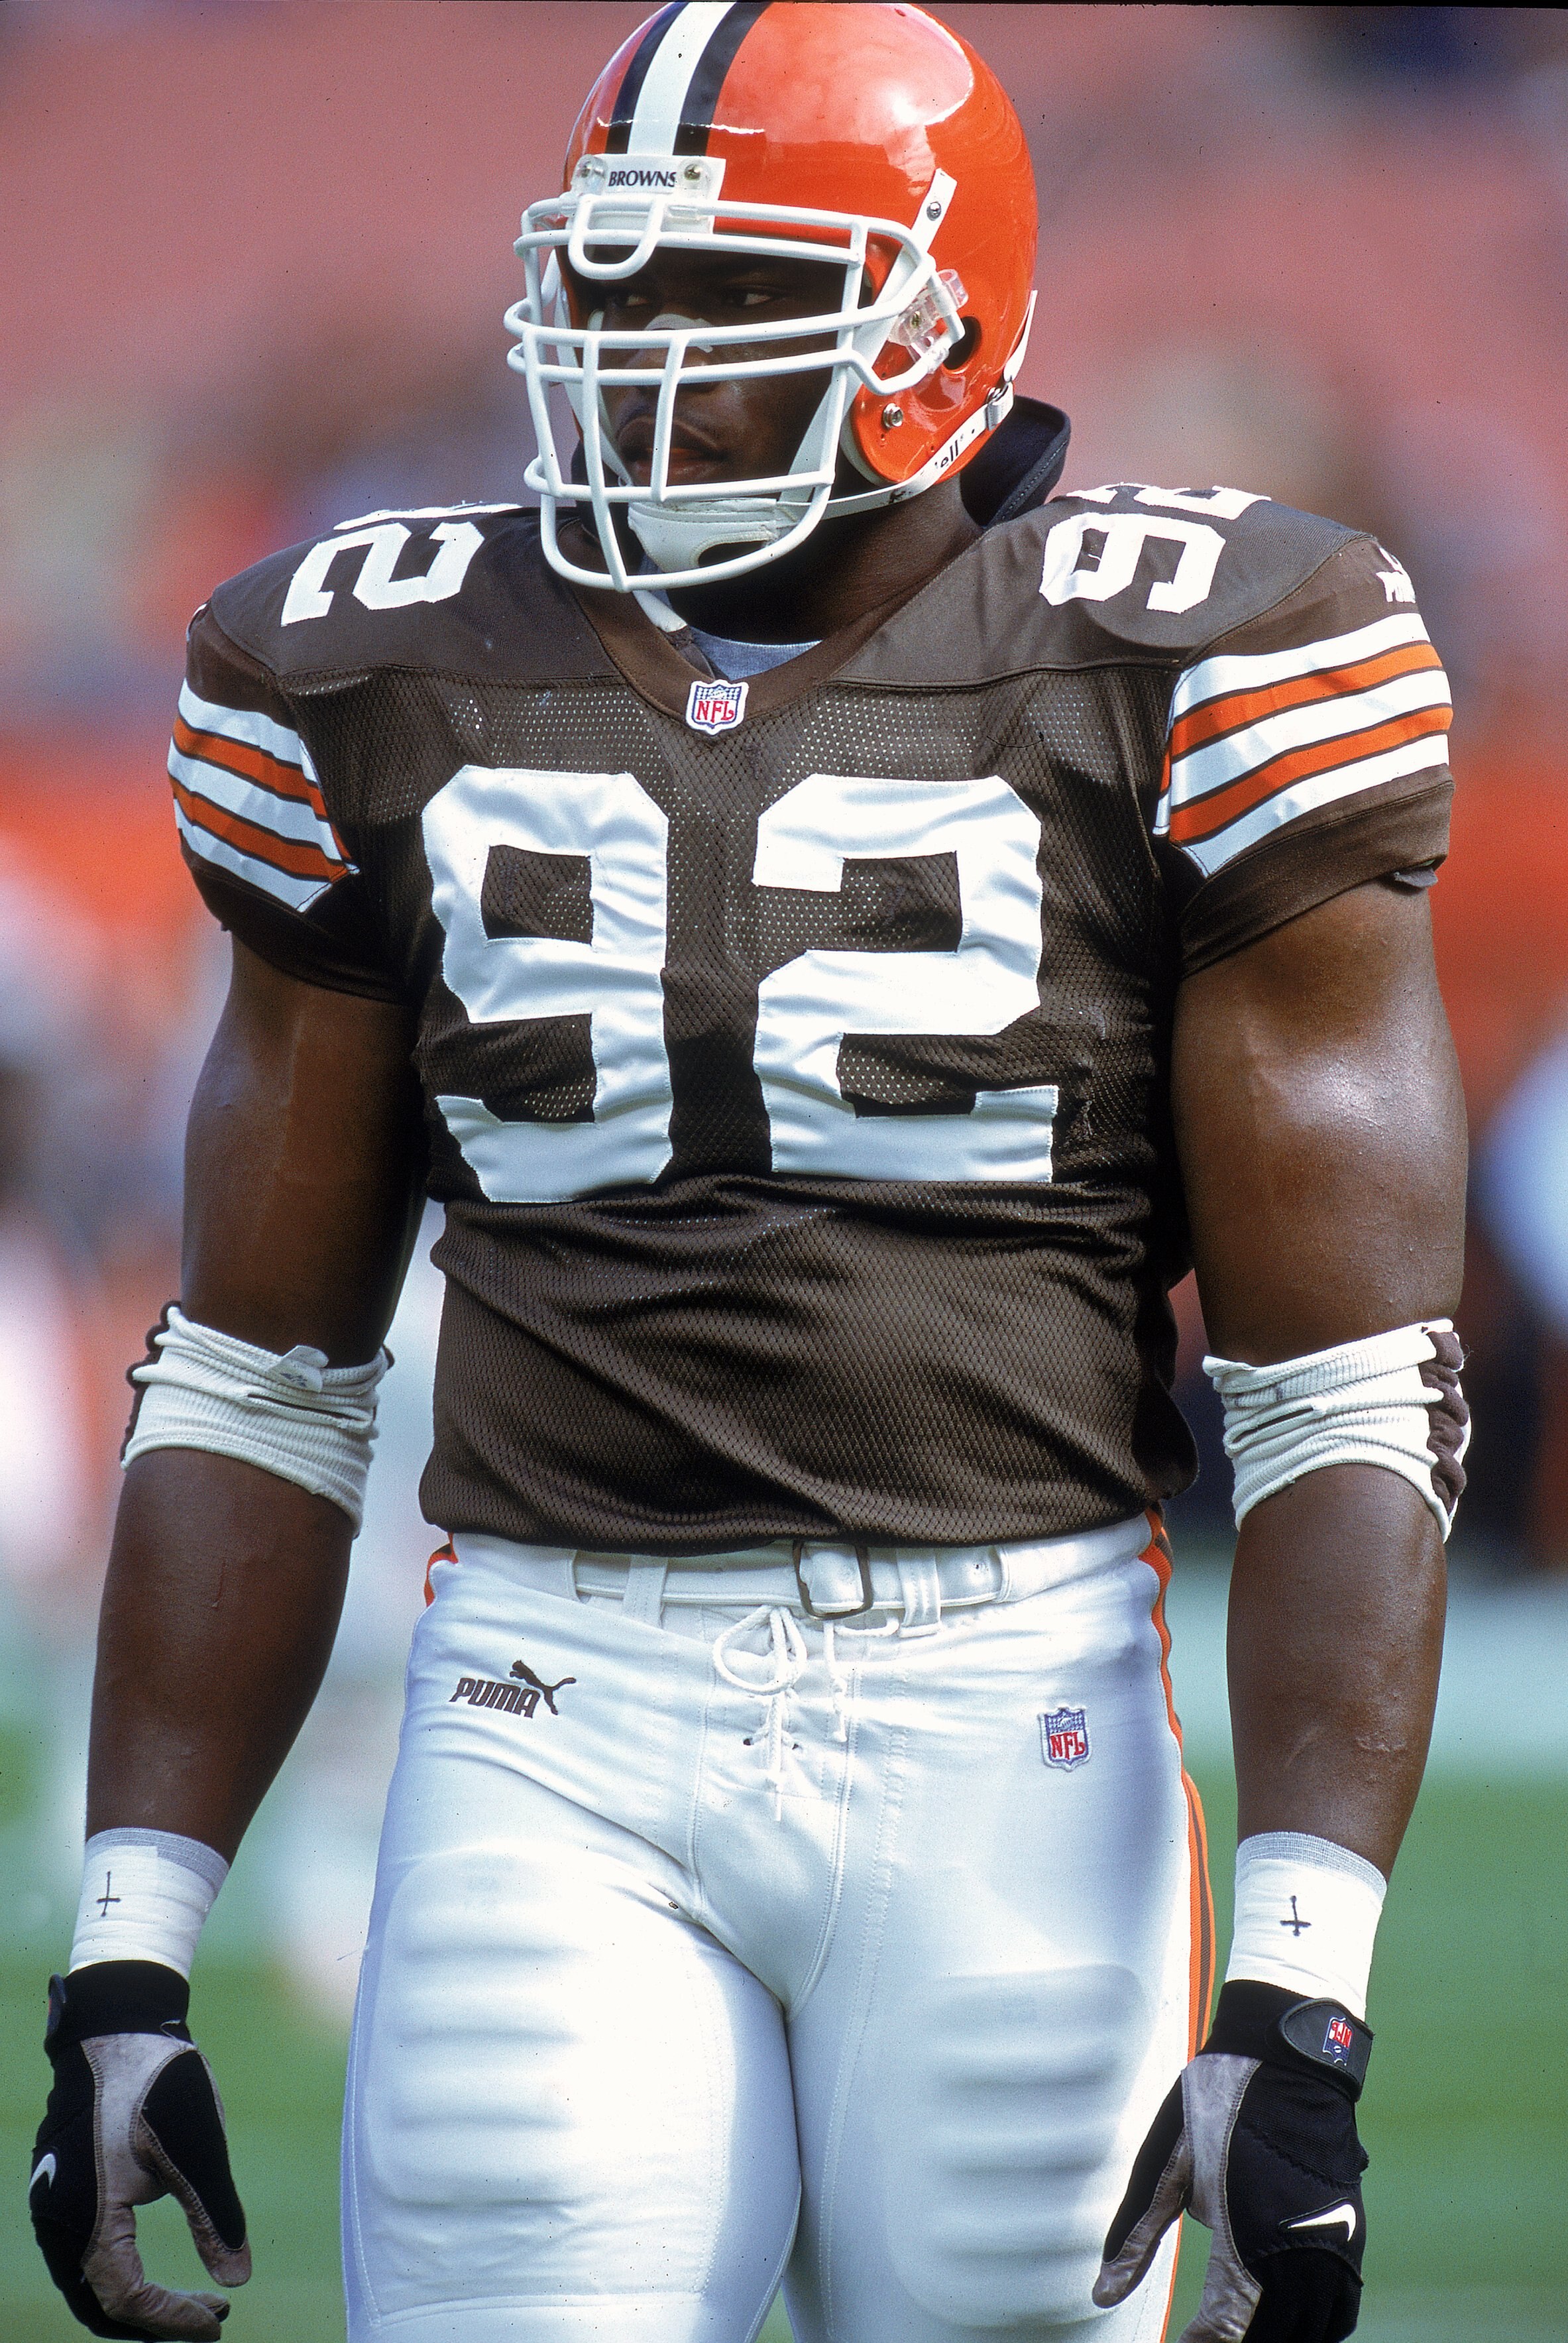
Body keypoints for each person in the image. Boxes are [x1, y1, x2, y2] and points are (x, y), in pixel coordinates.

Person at [29, 7, 1469, 2341]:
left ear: (935, 330)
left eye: (719, 302)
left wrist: (1302, 1994)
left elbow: (1343, 1392)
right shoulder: (372, 670)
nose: (634, 362)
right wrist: (127, 1959)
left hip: (1014, 1708)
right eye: (609, 293)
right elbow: (261, 1369)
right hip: (544, 1705)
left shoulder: (1206, 649)